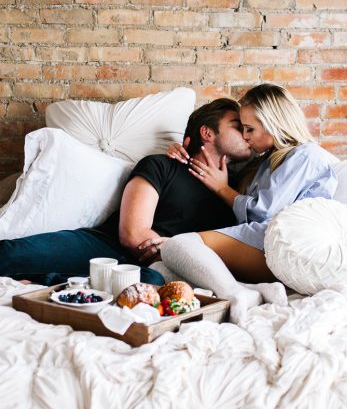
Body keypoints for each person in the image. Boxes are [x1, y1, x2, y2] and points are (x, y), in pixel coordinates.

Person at [0, 98, 252, 287]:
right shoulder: (161, 165)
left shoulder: (237, 194)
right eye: (238, 126)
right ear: (207, 132)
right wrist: (174, 249)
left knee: (151, 281)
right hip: (101, 246)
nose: (247, 134)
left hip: (154, 269)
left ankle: (47, 282)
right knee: (9, 254)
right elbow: (133, 235)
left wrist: (175, 253)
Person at [161, 83, 338, 323]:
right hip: (259, 242)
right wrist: (179, 148)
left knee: (175, 246)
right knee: (165, 268)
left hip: (277, 243)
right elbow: (215, 154)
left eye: (250, 129)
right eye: (242, 129)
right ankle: (255, 291)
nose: (245, 136)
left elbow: (263, 212)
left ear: (274, 124)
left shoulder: (305, 155)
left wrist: (223, 189)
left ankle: (235, 294)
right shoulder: (268, 160)